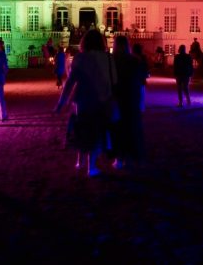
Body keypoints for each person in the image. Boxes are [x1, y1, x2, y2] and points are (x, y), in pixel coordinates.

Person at [55, 29, 117, 177]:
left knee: (82, 130)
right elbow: (114, 81)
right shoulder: (108, 58)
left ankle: (80, 161)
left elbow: (70, 82)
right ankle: (91, 167)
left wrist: (61, 103)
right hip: (101, 100)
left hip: (82, 100)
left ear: (84, 42)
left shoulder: (79, 58)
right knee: (96, 133)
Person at [111, 35, 147, 168]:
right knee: (132, 128)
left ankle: (119, 158)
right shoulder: (135, 60)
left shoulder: (112, 60)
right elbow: (142, 79)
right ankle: (131, 156)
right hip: (132, 97)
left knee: (118, 129)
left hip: (117, 97)